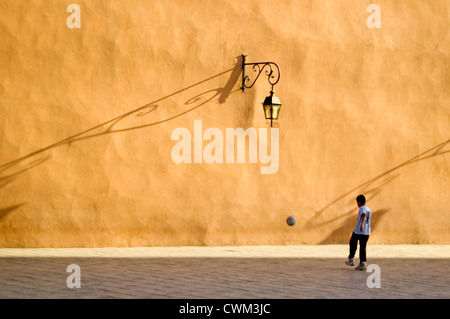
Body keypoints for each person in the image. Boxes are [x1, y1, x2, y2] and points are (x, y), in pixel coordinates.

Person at [345, 194, 371, 270]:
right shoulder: (368, 209)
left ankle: (351, 259)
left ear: (359, 202)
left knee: (352, 242)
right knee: (363, 246)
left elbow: (363, 215)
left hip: (359, 231)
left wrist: (361, 225)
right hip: (367, 231)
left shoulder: (362, 208)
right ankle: (363, 263)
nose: (357, 204)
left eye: (357, 202)